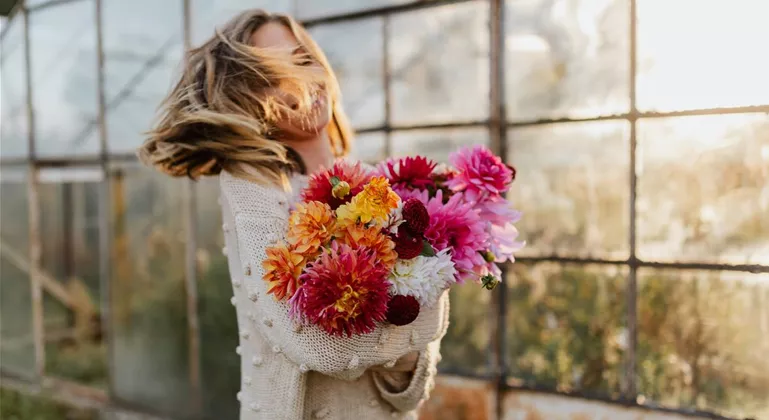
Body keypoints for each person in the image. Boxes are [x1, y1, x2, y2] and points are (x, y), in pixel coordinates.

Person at [138, 9, 448, 420]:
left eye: (303, 60)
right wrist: (429, 311)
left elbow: (410, 391)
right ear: (249, 97)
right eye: (273, 75)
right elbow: (320, 347)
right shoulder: (251, 183)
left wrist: (408, 339)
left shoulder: (376, 188)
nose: (301, 82)